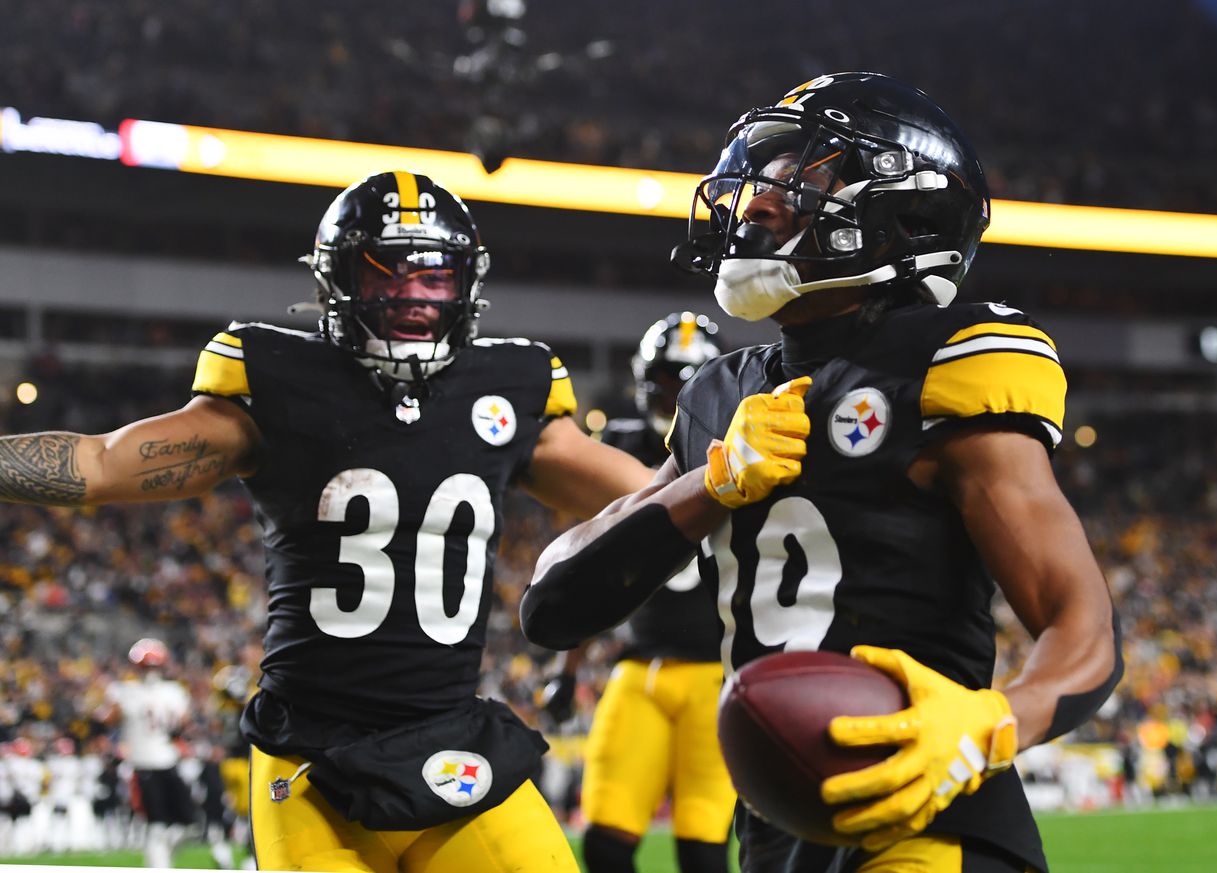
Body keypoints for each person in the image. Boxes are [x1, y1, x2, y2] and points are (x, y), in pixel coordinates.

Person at [521, 72, 1122, 873]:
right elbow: (554, 604)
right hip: (775, 825)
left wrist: (991, 721)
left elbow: (1081, 626)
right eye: (761, 175)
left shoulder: (953, 358)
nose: (759, 200)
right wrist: (712, 481)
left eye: (802, 176)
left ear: (903, 211)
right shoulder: (718, 393)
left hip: (924, 812)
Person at [0, 170, 653, 873]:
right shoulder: (279, 379)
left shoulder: (508, 387)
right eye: (386, 272)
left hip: (453, 743)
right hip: (311, 755)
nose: (413, 296)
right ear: (336, 279)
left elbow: (650, 500)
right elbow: (100, 464)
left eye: (435, 276)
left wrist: (733, 476)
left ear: (465, 285)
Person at [541, 312, 736, 873]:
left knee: (703, 851)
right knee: (604, 842)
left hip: (715, 674)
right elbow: (588, 560)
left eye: (688, 382)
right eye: (668, 380)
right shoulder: (621, 448)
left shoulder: (745, 445)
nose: (676, 395)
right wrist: (569, 668)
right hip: (638, 668)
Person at [104, 638, 196, 869]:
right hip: (154, 762)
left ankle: (161, 863)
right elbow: (182, 725)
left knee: (172, 826)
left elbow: (108, 720)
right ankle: (161, 865)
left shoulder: (124, 692)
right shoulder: (175, 692)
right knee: (166, 825)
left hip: (153, 762)